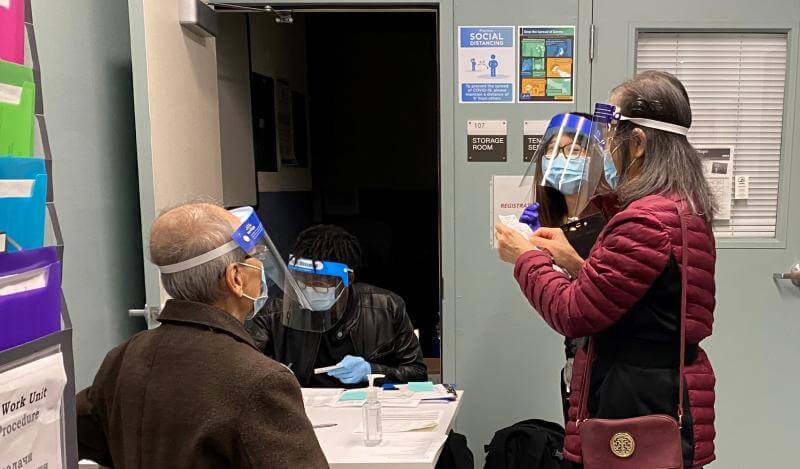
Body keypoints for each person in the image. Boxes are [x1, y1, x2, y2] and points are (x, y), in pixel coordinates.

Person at [496, 71, 717, 469]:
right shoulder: (680, 208)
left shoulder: (646, 221)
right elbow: (639, 301)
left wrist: (525, 257)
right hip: (653, 389)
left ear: (636, 144)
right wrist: (575, 262)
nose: (604, 146)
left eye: (609, 136)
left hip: (635, 398)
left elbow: (574, 313)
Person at [76, 202, 328, 468]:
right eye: (257, 258)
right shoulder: (260, 380)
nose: (263, 270)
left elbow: (70, 432)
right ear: (236, 278)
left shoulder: (124, 357)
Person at [248, 224, 427, 388]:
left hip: (367, 409)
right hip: (304, 412)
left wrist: (372, 371)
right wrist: (270, 372)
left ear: (348, 279)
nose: (310, 288)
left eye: (320, 283)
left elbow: (418, 374)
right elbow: (245, 365)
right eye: (303, 281)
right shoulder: (275, 312)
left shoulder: (386, 307)